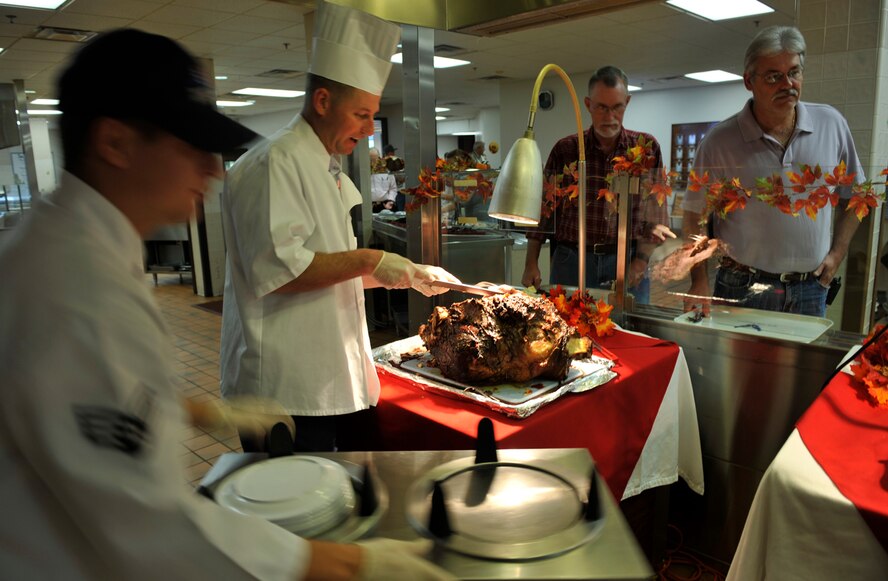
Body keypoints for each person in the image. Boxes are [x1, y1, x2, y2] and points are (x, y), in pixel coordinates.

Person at [0, 28, 452, 581]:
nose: (214, 172)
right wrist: (344, 565)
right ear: (114, 143)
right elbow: (144, 520)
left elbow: (74, 399)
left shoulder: (76, 250)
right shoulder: (75, 286)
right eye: (190, 147)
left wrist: (186, 408)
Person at [219, 2, 460, 453]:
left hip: (326, 381)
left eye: (373, 116)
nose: (370, 130)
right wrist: (373, 258)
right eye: (361, 115)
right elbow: (279, 271)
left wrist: (408, 273)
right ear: (323, 100)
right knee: (295, 517)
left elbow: (327, 268)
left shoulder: (324, 166)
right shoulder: (275, 163)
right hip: (283, 391)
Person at [681, 25, 864, 318]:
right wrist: (699, 279)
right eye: (773, 76)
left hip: (810, 288)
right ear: (748, 81)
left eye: (794, 72)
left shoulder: (832, 124)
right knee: (738, 365)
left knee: (805, 365)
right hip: (741, 285)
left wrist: (838, 252)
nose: (787, 83)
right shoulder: (719, 141)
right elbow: (694, 216)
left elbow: (858, 198)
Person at [521, 65, 675, 302]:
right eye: (601, 107)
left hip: (626, 258)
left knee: (628, 331)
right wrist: (531, 262)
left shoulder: (645, 149)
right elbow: (544, 212)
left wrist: (641, 260)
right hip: (571, 259)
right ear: (587, 104)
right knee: (567, 329)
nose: (609, 117)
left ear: (627, 103)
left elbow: (655, 214)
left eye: (617, 107)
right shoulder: (566, 150)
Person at [368, 147, 397, 212]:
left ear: (379, 157)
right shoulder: (364, 172)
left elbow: (393, 188)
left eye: (375, 158)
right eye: (371, 159)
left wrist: (390, 200)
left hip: (385, 205)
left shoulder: (387, 171)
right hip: (369, 206)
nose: (373, 161)